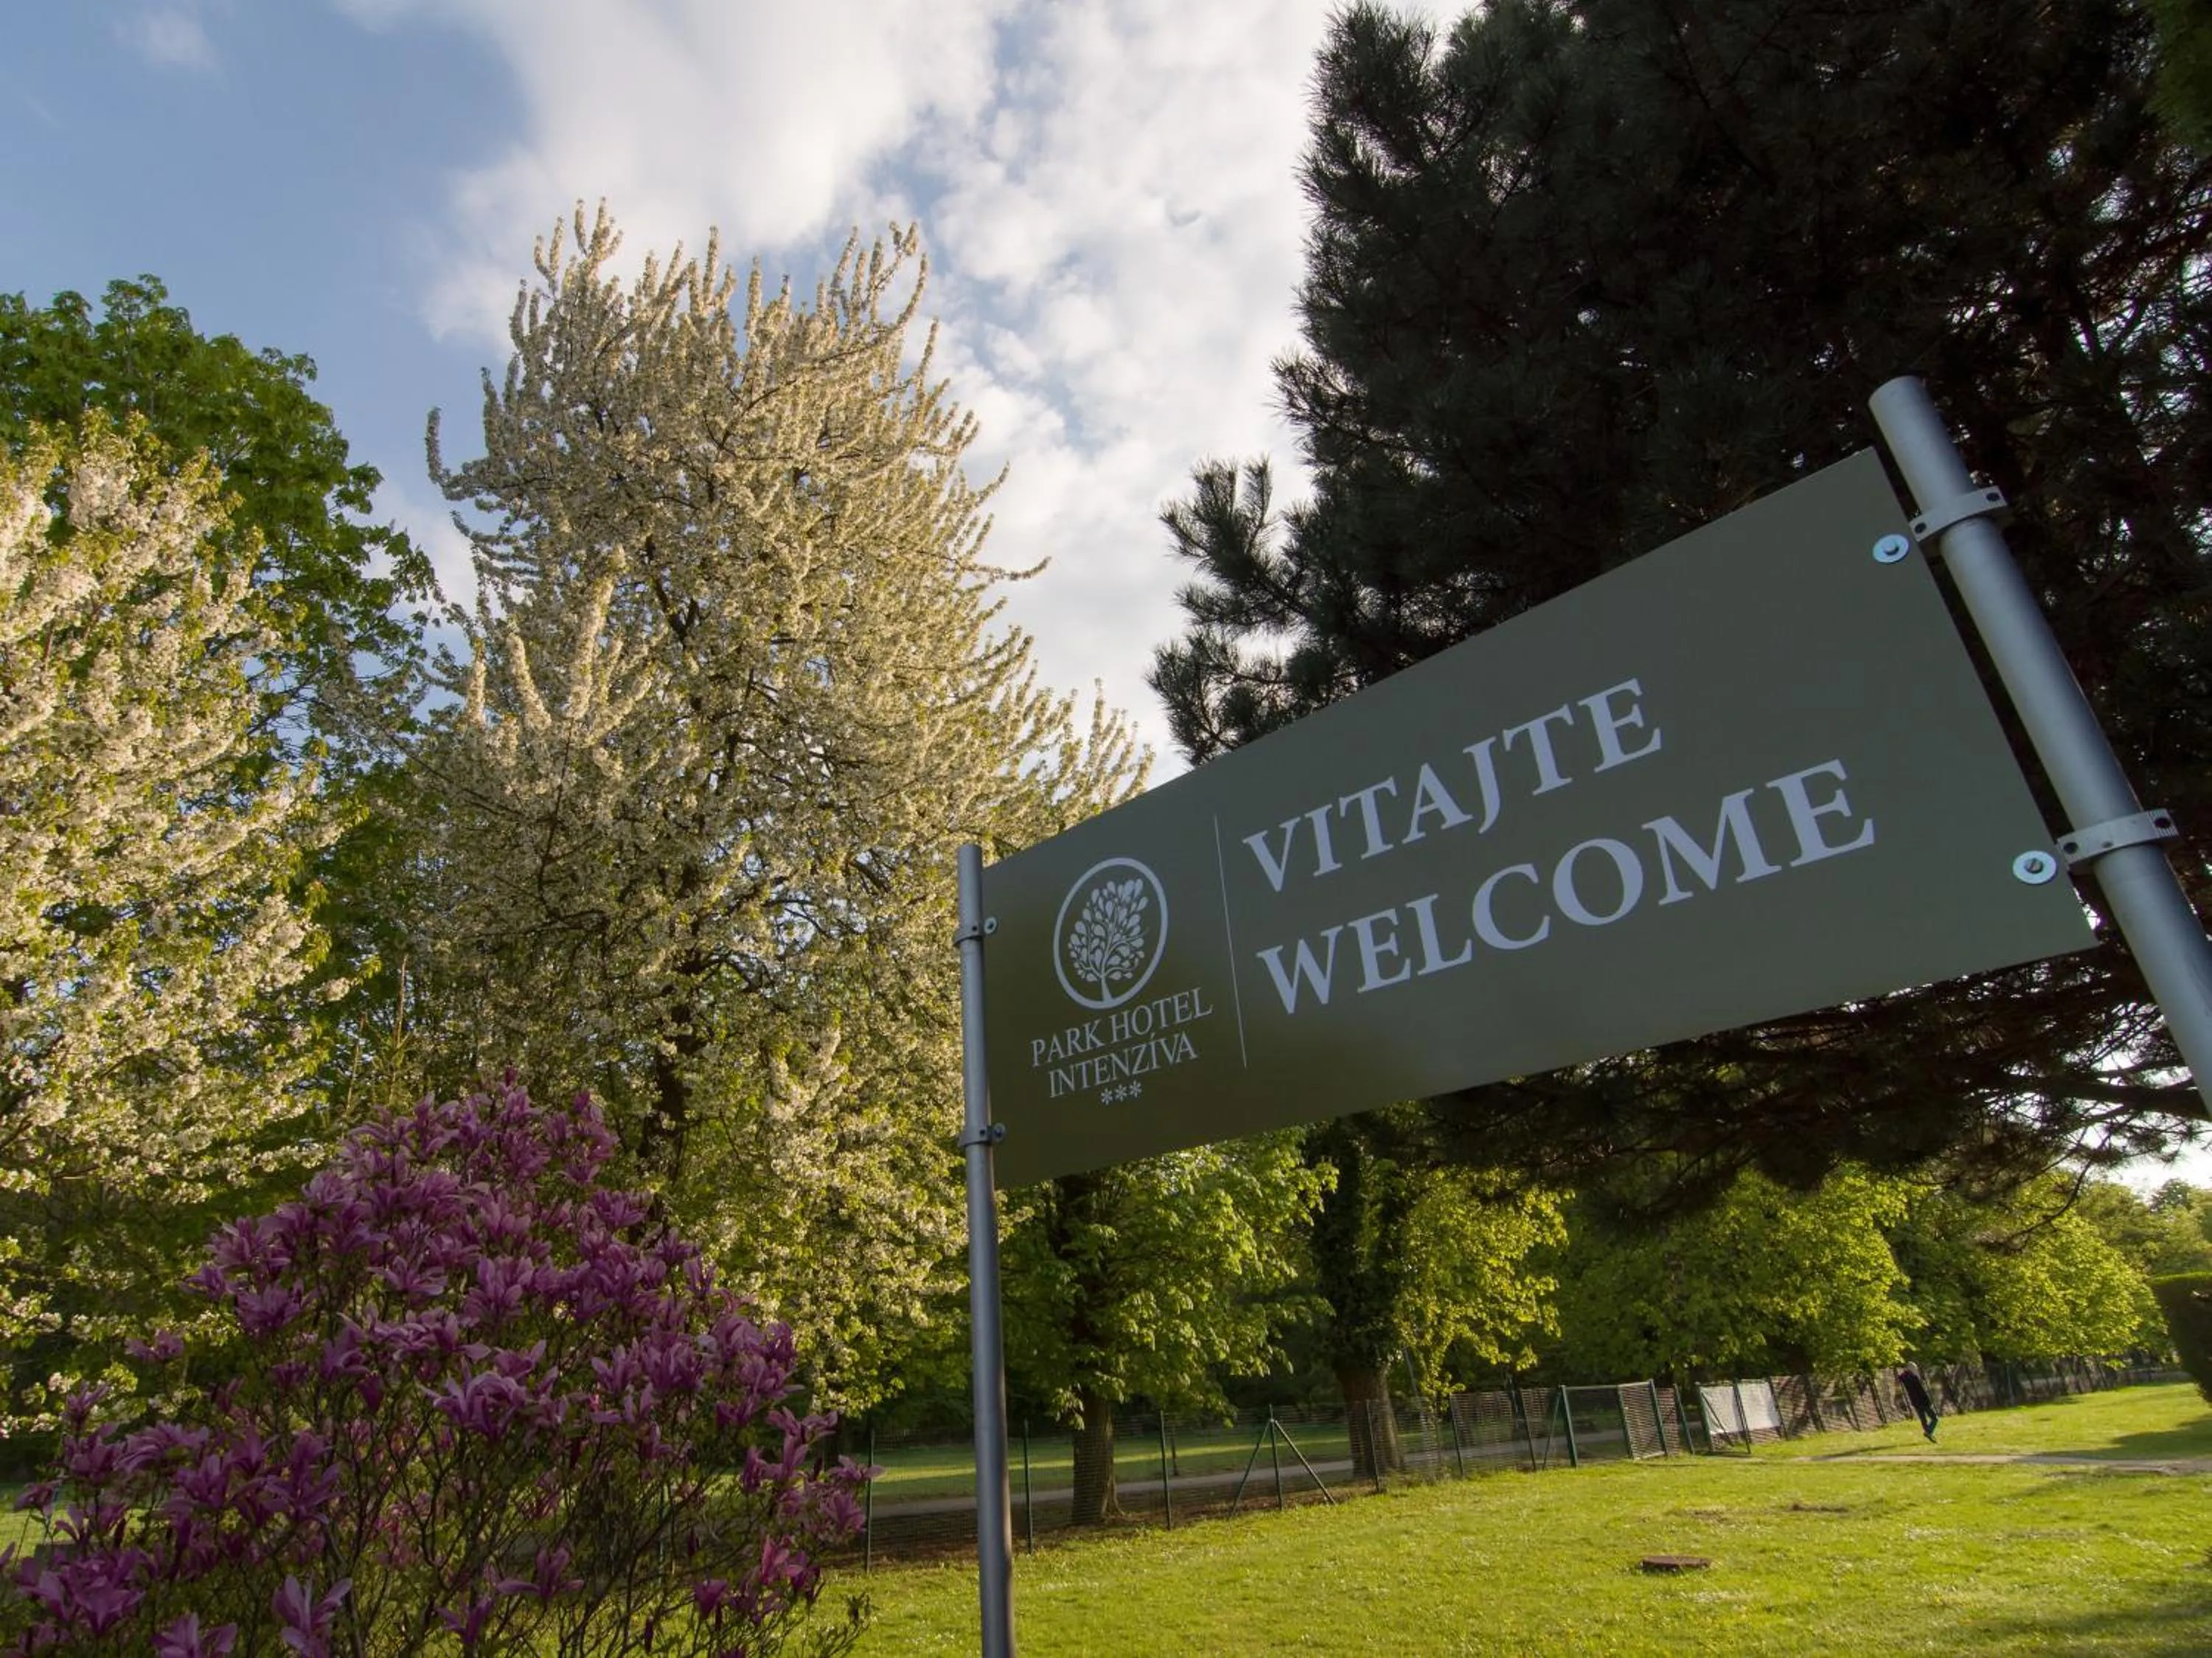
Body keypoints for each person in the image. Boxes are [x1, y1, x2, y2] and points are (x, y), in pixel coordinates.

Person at [1899, 1362, 1938, 1440]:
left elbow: (1899, 1377)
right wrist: (1929, 1401)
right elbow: (1921, 1391)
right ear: (1912, 1369)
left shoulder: (1904, 1377)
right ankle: (1929, 1432)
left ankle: (1929, 1434)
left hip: (1915, 1402)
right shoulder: (1915, 1377)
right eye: (1915, 1368)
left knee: (1923, 1419)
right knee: (1935, 1418)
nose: (1916, 1369)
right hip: (1923, 1400)